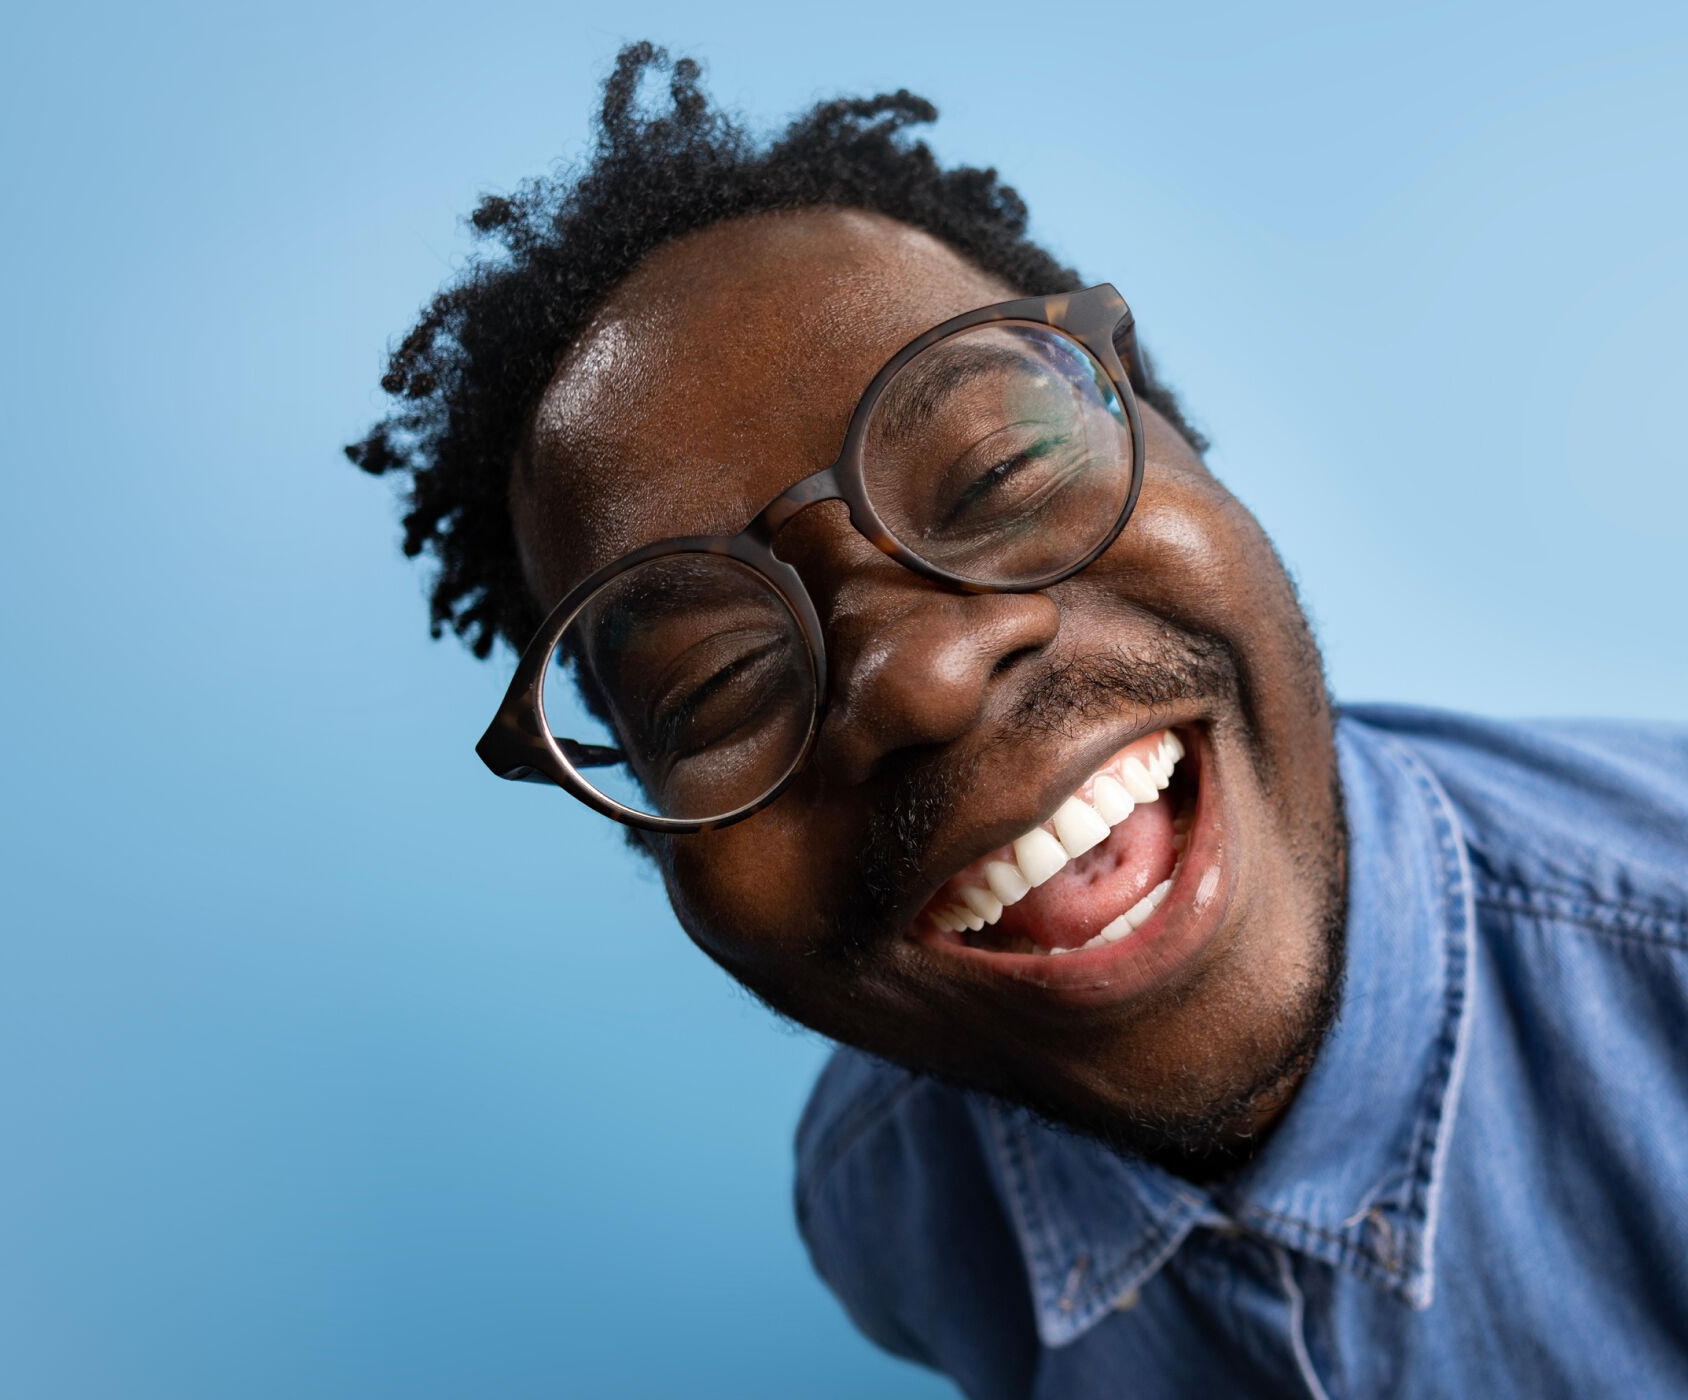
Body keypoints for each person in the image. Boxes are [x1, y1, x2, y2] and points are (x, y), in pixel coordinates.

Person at [349, 42, 1688, 1398]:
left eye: (997, 474)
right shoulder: (890, 1209)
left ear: (1173, 426)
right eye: (715, 679)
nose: (921, 678)